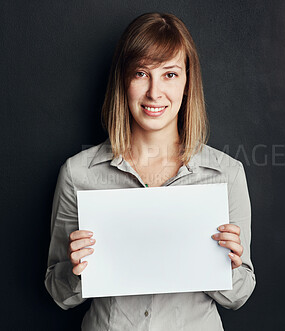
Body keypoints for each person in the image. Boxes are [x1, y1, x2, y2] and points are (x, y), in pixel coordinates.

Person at [45, 12, 255, 331]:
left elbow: (239, 295)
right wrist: (75, 272)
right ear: (124, 80)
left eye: (169, 74)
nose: (154, 92)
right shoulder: (78, 173)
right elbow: (59, 293)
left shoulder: (226, 173)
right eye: (142, 73)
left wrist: (228, 266)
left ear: (187, 83)